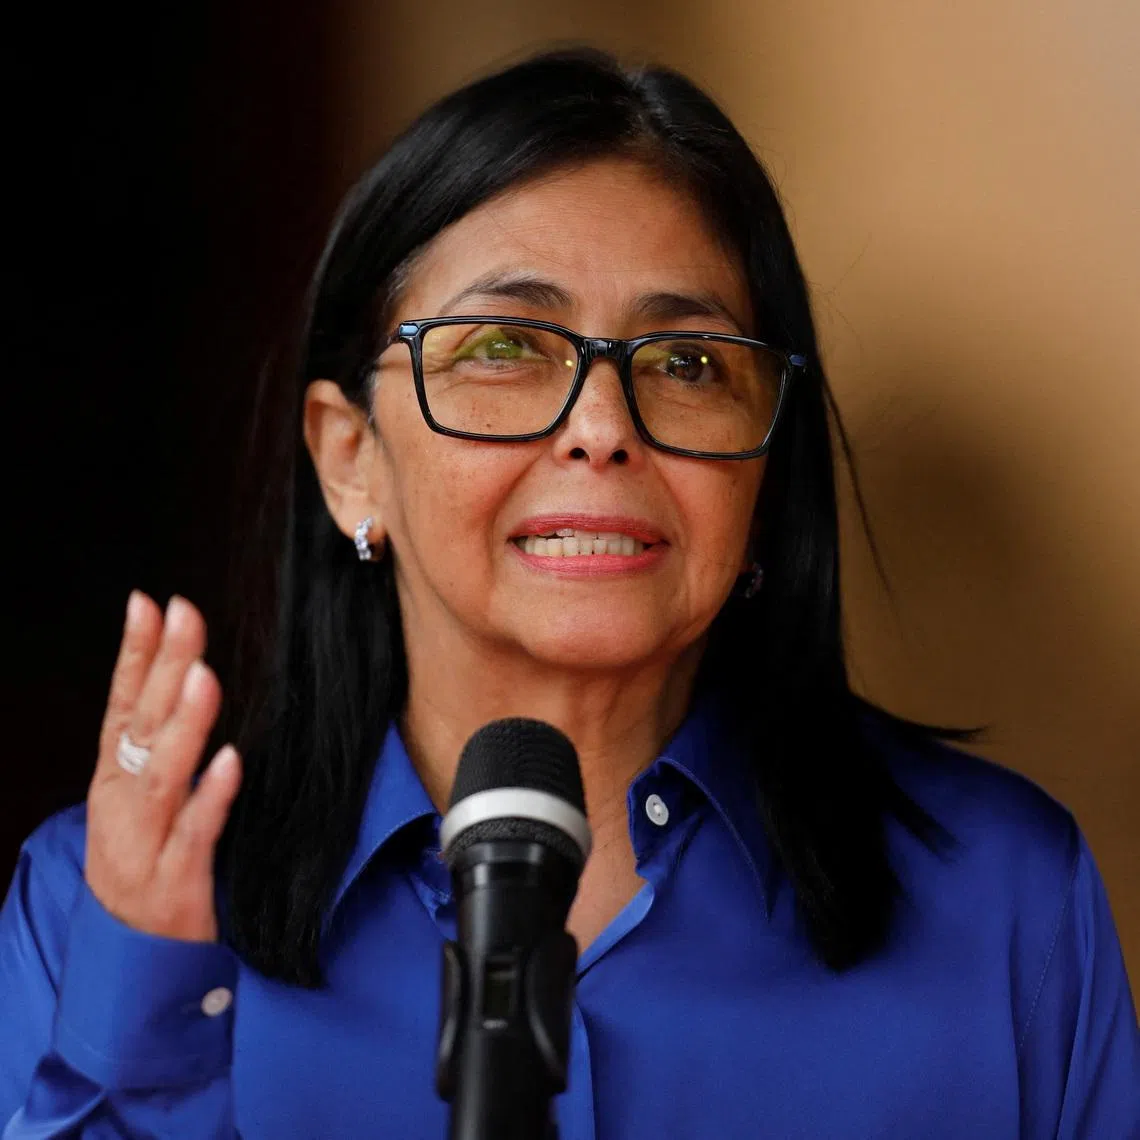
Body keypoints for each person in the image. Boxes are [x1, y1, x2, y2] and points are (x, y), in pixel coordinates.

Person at [1, 46, 1137, 1139]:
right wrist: (146, 1034)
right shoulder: (109, 911)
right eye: (502, 347)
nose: (601, 430)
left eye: (689, 366)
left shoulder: (1003, 900)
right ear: (350, 457)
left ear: (763, 470)